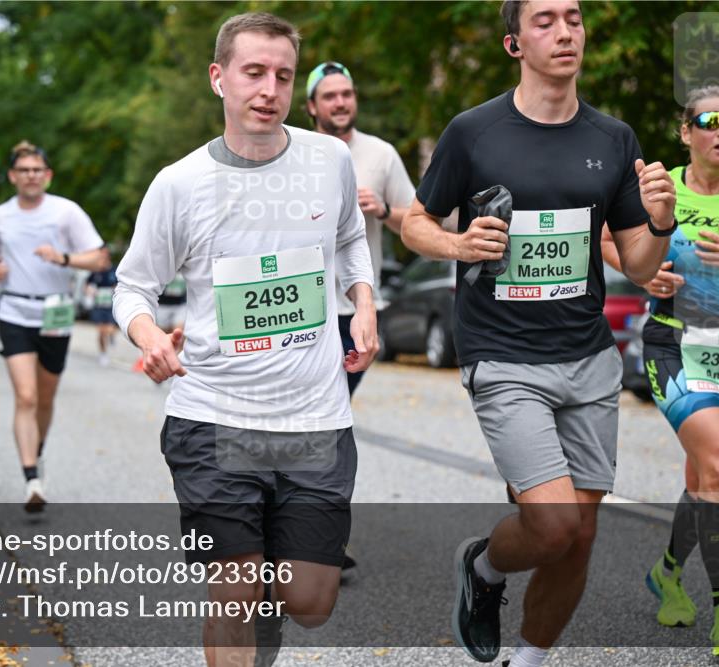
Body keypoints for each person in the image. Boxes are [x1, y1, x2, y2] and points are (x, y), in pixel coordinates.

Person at [400, 2, 677, 665]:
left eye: (574, 18)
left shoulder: (614, 138)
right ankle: (485, 567)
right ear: (513, 42)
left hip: (586, 356)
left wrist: (661, 224)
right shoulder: (474, 132)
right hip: (504, 354)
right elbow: (414, 221)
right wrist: (460, 242)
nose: (565, 32)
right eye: (546, 20)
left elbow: (637, 265)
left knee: (579, 536)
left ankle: (529, 659)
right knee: (553, 525)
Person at [113, 12, 376, 667]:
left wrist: (362, 303)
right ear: (218, 77)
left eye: (283, 75)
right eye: (253, 72)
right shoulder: (181, 184)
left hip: (313, 416)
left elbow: (347, 239)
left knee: (310, 598)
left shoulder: (329, 160)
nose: (269, 88)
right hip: (211, 415)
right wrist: (150, 338)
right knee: (231, 584)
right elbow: (132, 288)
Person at [601, 85, 719, 657]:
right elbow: (608, 238)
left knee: (708, 481)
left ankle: (666, 572)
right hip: (675, 345)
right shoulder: (661, 190)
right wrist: (641, 274)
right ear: (686, 132)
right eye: (709, 121)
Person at [0, 141, 108, 512]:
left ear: (47, 175)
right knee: (26, 396)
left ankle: (37, 450)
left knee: (46, 398)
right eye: (24, 170)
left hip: (56, 314)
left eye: (37, 170)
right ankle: (32, 477)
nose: (31, 176)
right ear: (13, 176)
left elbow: (100, 258)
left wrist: (62, 257)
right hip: (14, 310)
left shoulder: (66, 212)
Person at [306, 60, 416, 395]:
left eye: (347, 94)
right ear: (312, 106)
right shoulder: (294, 154)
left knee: (333, 403)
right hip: (306, 307)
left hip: (356, 308)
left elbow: (418, 223)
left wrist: (382, 211)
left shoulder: (381, 154)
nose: (340, 102)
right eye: (329, 97)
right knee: (313, 409)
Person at [85, 251, 119, 367]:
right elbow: (87, 284)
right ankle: (103, 353)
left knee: (108, 329)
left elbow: (121, 284)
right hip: (99, 305)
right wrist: (89, 291)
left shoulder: (114, 271)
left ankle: (112, 335)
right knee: (101, 331)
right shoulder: (95, 272)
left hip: (110, 306)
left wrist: (115, 290)